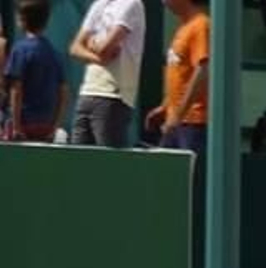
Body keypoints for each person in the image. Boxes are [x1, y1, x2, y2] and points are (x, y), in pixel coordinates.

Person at [68, 0, 144, 148]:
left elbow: (105, 48)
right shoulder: (99, 4)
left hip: (113, 96)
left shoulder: (132, 4)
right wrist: (99, 58)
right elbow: (75, 48)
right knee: (78, 159)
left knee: (108, 159)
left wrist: (90, 43)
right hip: (86, 93)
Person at [146, 0, 209, 156]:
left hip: (194, 123)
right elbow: (181, 73)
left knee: (188, 170)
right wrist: (165, 106)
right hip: (176, 121)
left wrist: (178, 115)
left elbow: (203, 70)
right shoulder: (183, 28)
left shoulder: (200, 25)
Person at [2, 0, 65, 144]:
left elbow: (16, 89)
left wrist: (16, 126)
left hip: (24, 123)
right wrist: (55, 126)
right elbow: (63, 92)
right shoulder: (54, 53)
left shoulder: (20, 50)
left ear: (22, 21)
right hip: (46, 124)